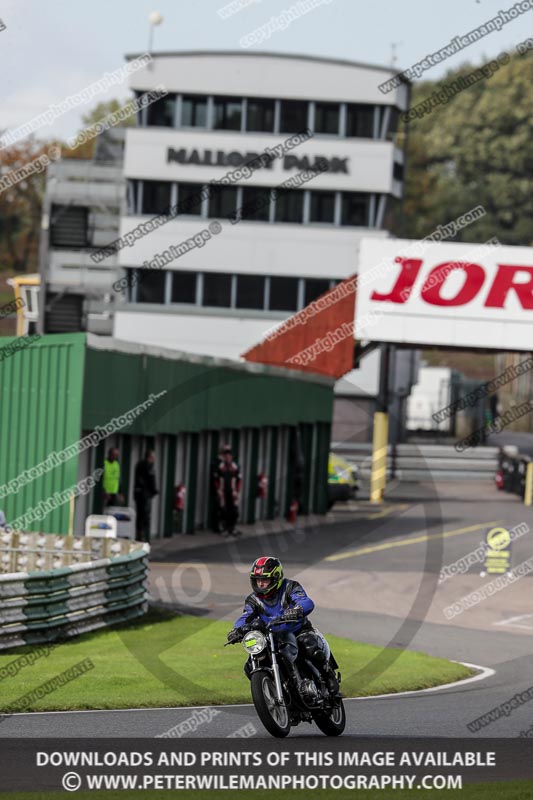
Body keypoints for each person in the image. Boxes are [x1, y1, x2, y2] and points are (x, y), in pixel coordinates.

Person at [226, 556, 339, 696]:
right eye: (257, 580)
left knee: (311, 647)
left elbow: (305, 601)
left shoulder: (290, 587)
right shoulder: (253, 599)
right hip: (271, 636)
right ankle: (276, 689)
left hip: (297, 630)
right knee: (250, 666)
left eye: (265, 580)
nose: (260, 584)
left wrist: (296, 610)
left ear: (276, 578)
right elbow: (245, 616)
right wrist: (238, 629)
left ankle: (327, 673)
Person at [212, 444, 242, 536]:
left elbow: (239, 480)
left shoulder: (235, 466)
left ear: (231, 457)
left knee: (234, 510)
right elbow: (215, 479)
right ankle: (224, 528)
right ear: (224, 457)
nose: (228, 457)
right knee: (223, 510)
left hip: (233, 492)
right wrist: (218, 490)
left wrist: (237, 491)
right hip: (223, 492)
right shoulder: (219, 466)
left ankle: (232, 528)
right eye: (226, 456)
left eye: (229, 456)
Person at [134, 450, 159, 542]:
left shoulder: (139, 465)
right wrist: (154, 490)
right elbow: (150, 480)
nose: (153, 460)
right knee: (144, 515)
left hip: (140, 493)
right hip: (145, 494)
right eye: (152, 457)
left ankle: (140, 535)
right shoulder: (148, 466)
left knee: (141, 515)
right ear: (149, 457)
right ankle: (142, 536)